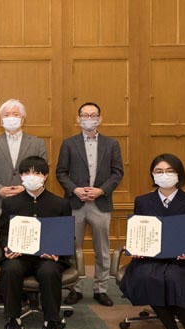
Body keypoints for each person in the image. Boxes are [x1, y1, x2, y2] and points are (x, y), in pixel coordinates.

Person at [119, 153, 185, 329]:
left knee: (176, 279)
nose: (164, 175)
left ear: (179, 174)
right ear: (152, 175)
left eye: (170, 171)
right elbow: (139, 230)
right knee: (147, 278)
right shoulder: (143, 201)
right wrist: (133, 246)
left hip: (182, 258)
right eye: (159, 171)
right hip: (151, 259)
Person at [0, 156, 72, 329]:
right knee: (11, 268)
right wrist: (7, 247)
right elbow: (3, 233)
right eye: (27, 172)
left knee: (49, 271)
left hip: (47, 257)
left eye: (37, 173)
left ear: (45, 176)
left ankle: (51, 323)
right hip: (20, 256)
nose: (32, 176)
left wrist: (57, 251)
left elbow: (66, 235)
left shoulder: (60, 204)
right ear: (21, 176)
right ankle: (13, 320)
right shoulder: (10, 203)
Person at [56, 102, 124, 307]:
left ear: (100, 119)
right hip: (75, 203)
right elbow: (61, 172)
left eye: (93, 115)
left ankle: (100, 289)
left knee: (102, 249)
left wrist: (101, 190)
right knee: (72, 248)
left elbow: (117, 172)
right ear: (78, 119)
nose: (89, 119)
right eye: (84, 115)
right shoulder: (69, 143)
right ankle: (74, 288)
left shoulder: (112, 144)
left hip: (100, 202)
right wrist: (75, 189)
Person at [0, 99, 48, 236]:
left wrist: (26, 187)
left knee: (28, 241)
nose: (11, 118)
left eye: (15, 114)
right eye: (6, 115)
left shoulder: (37, 143)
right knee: (0, 242)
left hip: (29, 200)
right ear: (1, 120)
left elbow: (43, 170)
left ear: (23, 119)